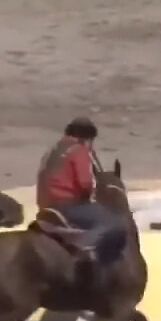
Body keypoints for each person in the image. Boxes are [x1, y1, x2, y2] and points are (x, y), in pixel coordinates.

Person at [35, 116, 127, 280]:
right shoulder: (79, 150)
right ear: (88, 138)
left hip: (44, 207)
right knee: (115, 223)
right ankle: (88, 248)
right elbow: (85, 184)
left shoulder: (52, 150)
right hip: (66, 206)